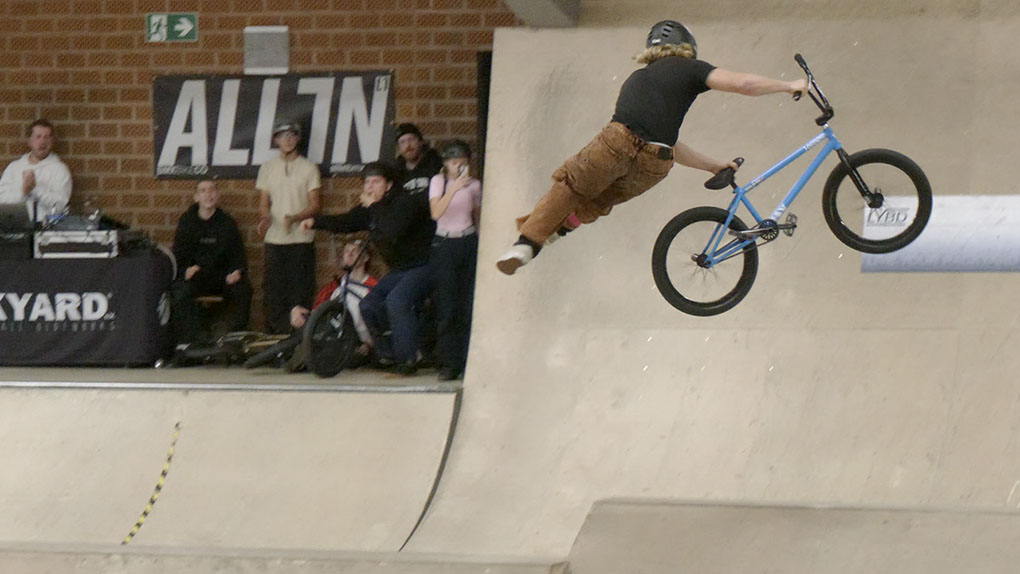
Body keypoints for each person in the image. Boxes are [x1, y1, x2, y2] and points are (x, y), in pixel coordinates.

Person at [496, 20, 809, 275]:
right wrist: (788, 85)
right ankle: (558, 230)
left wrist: (713, 163)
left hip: (616, 143)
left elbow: (630, 138)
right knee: (599, 202)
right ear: (688, 49)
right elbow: (670, 141)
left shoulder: (636, 79)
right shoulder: (692, 69)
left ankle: (527, 243)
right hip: (654, 165)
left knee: (571, 185)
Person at [301, 161, 434, 375]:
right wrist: (315, 222)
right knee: (369, 304)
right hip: (400, 269)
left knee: (397, 301)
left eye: (376, 182)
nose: (370, 187)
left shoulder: (403, 203)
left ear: (388, 185)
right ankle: (388, 354)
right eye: (367, 182)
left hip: (423, 265)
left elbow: (391, 231)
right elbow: (346, 221)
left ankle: (409, 358)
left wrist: (373, 207)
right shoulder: (372, 208)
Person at [256, 121, 321, 333]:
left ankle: (299, 340)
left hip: (301, 239)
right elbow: (264, 201)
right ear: (276, 140)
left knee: (300, 291)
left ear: (298, 139)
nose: (288, 139)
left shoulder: (309, 168)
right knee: (273, 292)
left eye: (292, 135)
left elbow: (315, 205)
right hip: (274, 239)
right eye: (283, 136)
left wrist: (295, 217)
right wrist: (265, 218)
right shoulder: (267, 168)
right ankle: (275, 338)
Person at [169, 179, 252, 344]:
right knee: (179, 293)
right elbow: (178, 254)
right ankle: (188, 344)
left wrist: (237, 272)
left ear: (218, 195)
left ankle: (235, 342)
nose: (208, 194)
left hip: (221, 277)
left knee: (243, 290)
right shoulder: (187, 221)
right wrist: (185, 270)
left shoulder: (227, 222)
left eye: (212, 190)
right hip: (196, 276)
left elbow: (238, 255)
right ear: (196, 197)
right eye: (203, 191)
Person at [428, 141, 482, 381]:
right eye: (452, 162)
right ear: (446, 164)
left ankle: (468, 359)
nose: (457, 165)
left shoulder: (475, 186)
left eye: (461, 161)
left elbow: (477, 215)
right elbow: (435, 213)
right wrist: (454, 188)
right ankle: (449, 362)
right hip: (445, 243)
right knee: (448, 303)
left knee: (466, 302)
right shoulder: (439, 183)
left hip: (467, 240)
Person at [290, 240, 378, 364]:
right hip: (330, 332)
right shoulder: (335, 286)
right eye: (346, 251)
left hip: (355, 341)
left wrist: (368, 345)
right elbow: (318, 312)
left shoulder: (373, 288)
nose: (349, 255)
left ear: (366, 258)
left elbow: (378, 325)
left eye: (355, 252)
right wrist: (297, 311)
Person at [0, 119, 72, 220]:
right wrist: (23, 192)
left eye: (47, 137)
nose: (42, 141)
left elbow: (60, 205)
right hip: (15, 229)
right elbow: (2, 200)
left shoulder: (60, 170)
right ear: (29, 141)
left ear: (52, 141)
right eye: (38, 137)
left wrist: (35, 189)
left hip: (46, 229)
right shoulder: (14, 168)